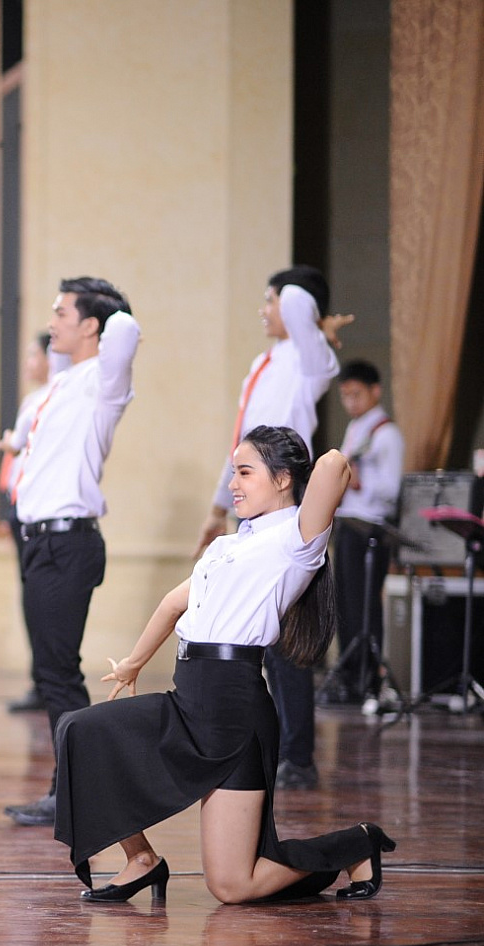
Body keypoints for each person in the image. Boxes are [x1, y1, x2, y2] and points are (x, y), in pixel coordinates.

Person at [55, 426, 395, 903]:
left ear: (282, 479)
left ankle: (357, 844)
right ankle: (141, 859)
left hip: (235, 714)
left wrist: (290, 449)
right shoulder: (226, 546)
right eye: (232, 472)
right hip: (188, 700)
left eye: (244, 472)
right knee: (80, 730)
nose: (232, 484)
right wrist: (133, 663)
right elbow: (173, 604)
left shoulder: (297, 540)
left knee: (233, 886)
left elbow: (334, 463)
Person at [193, 266, 351, 792]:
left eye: (272, 299)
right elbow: (241, 447)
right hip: (254, 508)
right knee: (260, 631)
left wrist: (313, 316)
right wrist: (218, 507)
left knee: (289, 642)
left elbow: (302, 303)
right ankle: (272, 748)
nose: (264, 309)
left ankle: (297, 758)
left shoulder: (311, 359)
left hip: (288, 502)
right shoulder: (262, 364)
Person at [4, 278, 141, 827]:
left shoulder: (103, 383)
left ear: (89, 326)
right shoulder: (62, 383)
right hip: (41, 541)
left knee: (59, 674)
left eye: (62, 312)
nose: (51, 322)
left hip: (67, 541)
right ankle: (72, 787)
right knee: (50, 672)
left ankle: (74, 792)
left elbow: (125, 330)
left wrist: (106, 307)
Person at [0, 330, 69, 714]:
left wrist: (12, 442)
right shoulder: (33, 400)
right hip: (20, 509)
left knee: (41, 599)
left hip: (42, 514)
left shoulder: (55, 399)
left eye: (32, 355)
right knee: (30, 596)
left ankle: (47, 681)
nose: (27, 362)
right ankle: (40, 681)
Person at [325, 361, 405, 702]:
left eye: (356, 394)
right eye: (345, 396)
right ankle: (348, 676)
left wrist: (360, 483)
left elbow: (392, 490)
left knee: (364, 604)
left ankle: (366, 678)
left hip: (371, 530)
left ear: (375, 391)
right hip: (349, 524)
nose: (350, 402)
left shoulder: (387, 434)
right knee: (344, 603)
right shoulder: (356, 428)